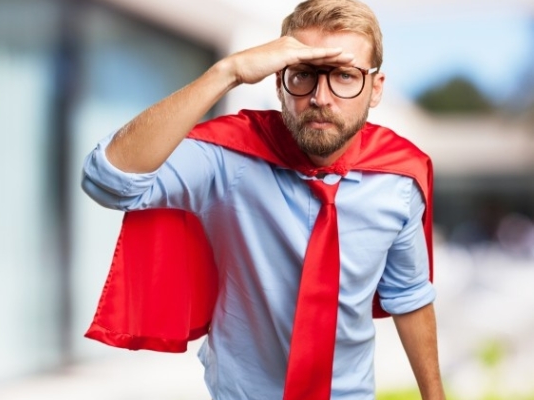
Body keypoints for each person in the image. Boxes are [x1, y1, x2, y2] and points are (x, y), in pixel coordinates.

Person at [81, 0, 446, 398]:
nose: (321, 97)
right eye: (304, 75)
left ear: (375, 89)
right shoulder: (229, 157)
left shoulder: (400, 177)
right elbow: (109, 181)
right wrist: (228, 71)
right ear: (278, 81)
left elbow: (408, 295)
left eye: (344, 76)